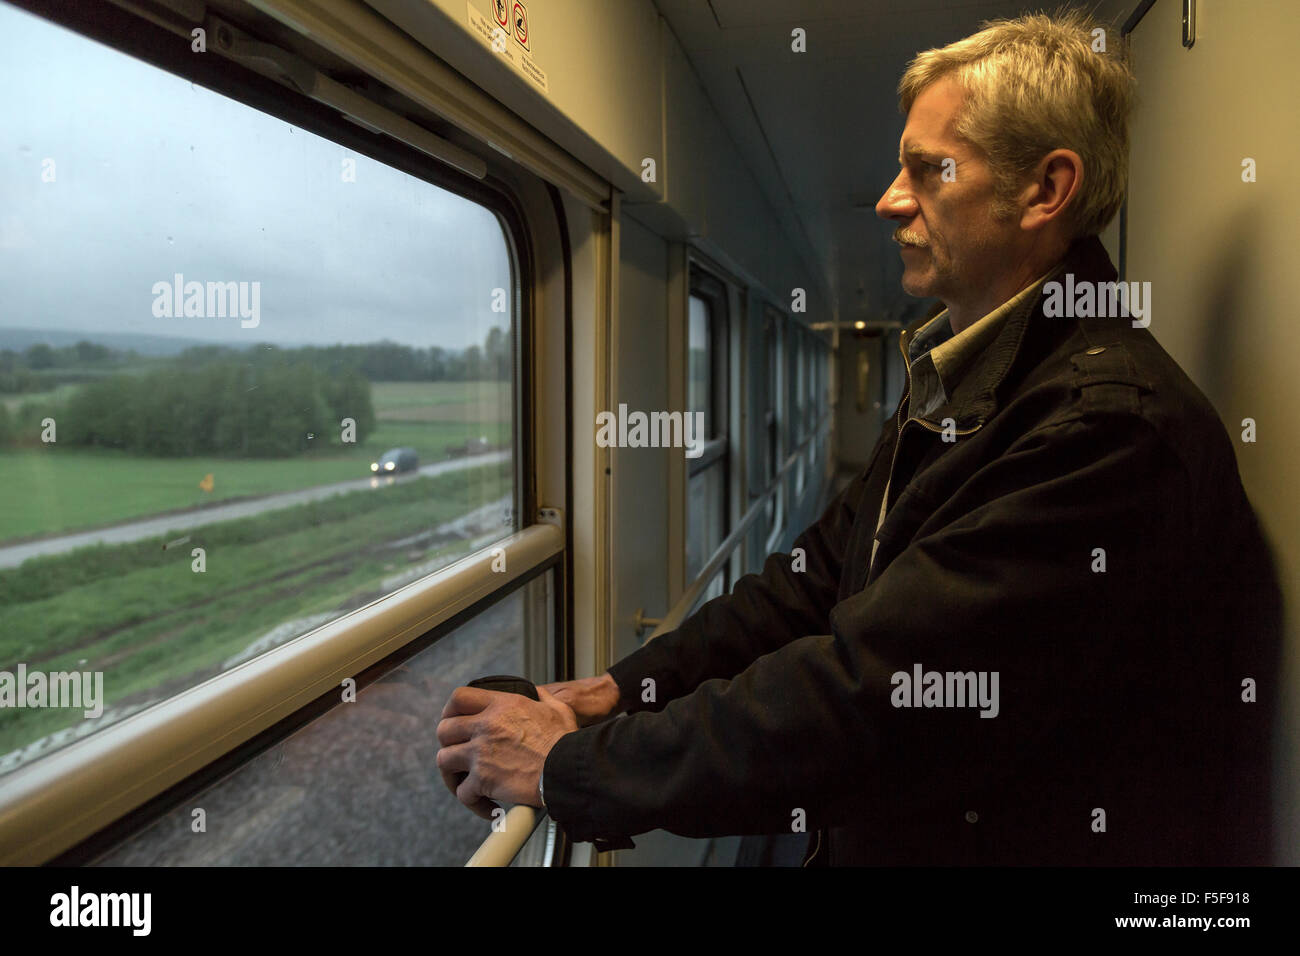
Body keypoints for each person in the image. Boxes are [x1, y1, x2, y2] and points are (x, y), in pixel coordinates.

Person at [435, 10, 1282, 865]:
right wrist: (622, 688)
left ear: (1044, 191)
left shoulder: (1107, 430)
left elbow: (875, 698)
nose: (889, 198)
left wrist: (571, 767)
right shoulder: (968, 373)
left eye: (927, 169)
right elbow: (811, 581)